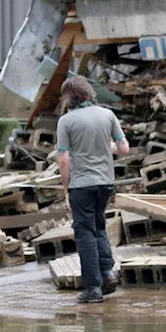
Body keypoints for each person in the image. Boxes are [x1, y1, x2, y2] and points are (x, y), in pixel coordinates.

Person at [56, 76, 130, 303]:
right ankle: (107, 274)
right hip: (105, 183)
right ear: (89, 93)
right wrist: (103, 145)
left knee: (85, 233)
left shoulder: (66, 121)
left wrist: (66, 190)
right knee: (99, 227)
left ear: (69, 98)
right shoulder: (107, 115)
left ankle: (92, 288)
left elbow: (64, 160)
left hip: (81, 185)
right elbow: (124, 149)